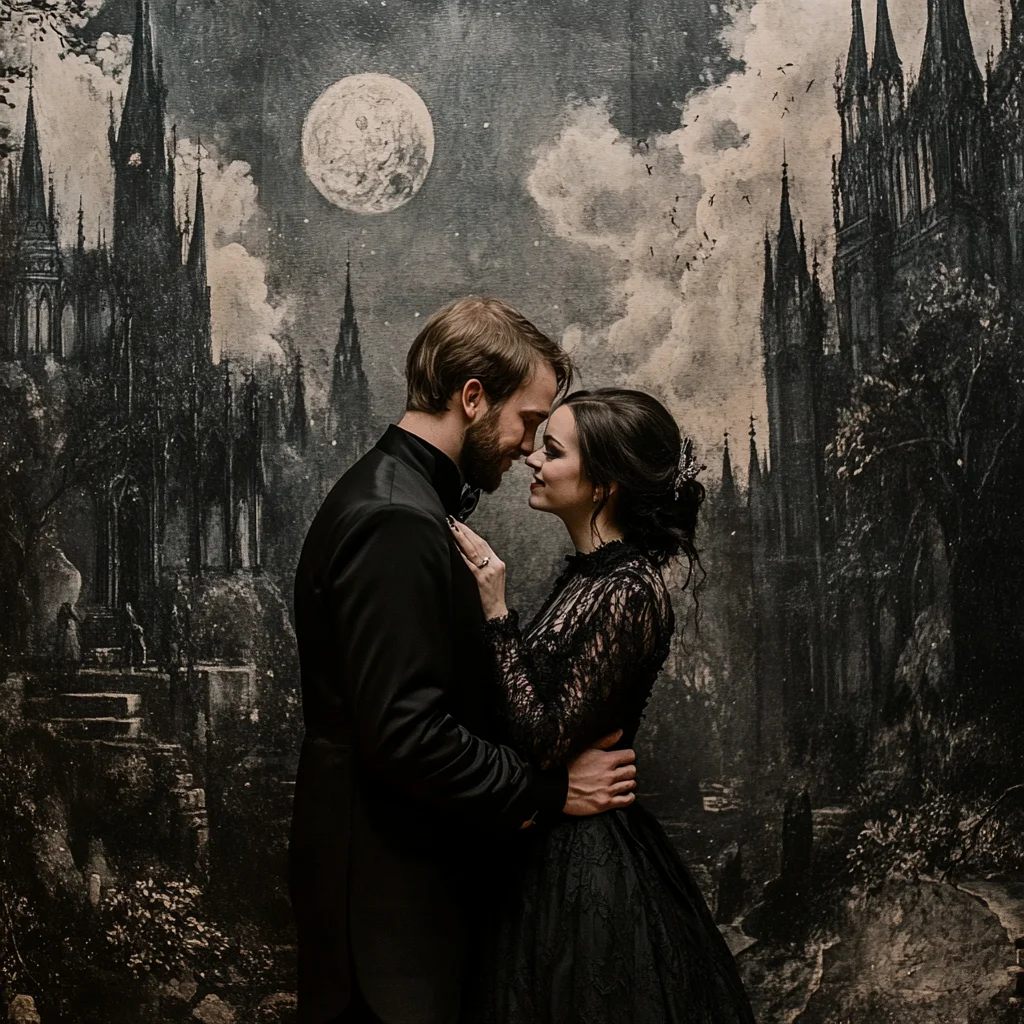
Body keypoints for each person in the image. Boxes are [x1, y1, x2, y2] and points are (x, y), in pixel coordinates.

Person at [289, 298, 640, 1024]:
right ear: (472, 398)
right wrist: (548, 795)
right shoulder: (395, 518)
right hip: (388, 915)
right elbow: (406, 735)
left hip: (400, 896)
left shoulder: (408, 497)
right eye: (530, 421)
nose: (527, 445)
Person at [450, 388, 757, 1024]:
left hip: (587, 867)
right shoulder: (591, 578)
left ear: (603, 486)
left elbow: (540, 735)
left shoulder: (627, 591)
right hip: (553, 849)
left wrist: (498, 612)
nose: (532, 457)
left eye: (554, 451)